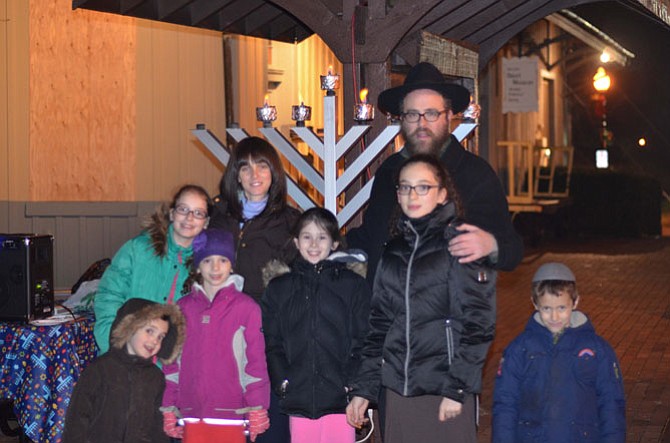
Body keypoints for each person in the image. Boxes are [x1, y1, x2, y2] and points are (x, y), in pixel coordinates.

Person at [346, 154, 496, 443]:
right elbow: (378, 326)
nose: (412, 194)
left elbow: (480, 324)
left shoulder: (462, 246)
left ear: (442, 194)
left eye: (423, 187)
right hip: (399, 392)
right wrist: (364, 390)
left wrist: (458, 388)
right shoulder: (393, 252)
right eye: (405, 187)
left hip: (444, 392)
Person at [347, 61, 523, 284]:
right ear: (401, 118)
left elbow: (512, 249)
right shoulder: (389, 170)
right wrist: (324, 240)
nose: (422, 124)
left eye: (431, 113)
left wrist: (492, 245)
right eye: (412, 114)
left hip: (448, 311)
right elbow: (370, 236)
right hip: (388, 310)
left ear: (449, 116)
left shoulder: (476, 174)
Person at [261, 207, 371, 443]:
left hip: (341, 398)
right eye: (306, 236)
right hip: (298, 395)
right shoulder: (280, 288)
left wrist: (355, 386)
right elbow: (273, 341)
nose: (313, 244)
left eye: (322, 237)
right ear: (296, 242)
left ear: (333, 243)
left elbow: (363, 339)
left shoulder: (352, 286)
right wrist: (283, 381)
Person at [492, 262, 626, 443]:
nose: (554, 317)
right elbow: (506, 404)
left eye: (562, 308)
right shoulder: (519, 349)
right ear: (534, 303)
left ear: (575, 302)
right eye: (547, 308)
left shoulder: (598, 349)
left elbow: (611, 403)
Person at [161, 229, 271, 442]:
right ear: (198, 266)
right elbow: (172, 364)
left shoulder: (247, 309)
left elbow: (255, 363)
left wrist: (257, 406)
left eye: (222, 259)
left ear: (231, 264)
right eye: (208, 260)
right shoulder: (181, 309)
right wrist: (169, 405)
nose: (215, 267)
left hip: (231, 415)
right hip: (192, 415)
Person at [94, 184, 212, 353]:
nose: (189, 218)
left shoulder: (207, 266)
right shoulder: (138, 249)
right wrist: (118, 345)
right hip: (125, 357)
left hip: (175, 369)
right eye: (183, 209)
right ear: (172, 213)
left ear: (206, 222)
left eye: (198, 213)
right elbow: (108, 296)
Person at [64, 298, 186, 443]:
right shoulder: (99, 370)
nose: (155, 340)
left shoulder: (155, 377)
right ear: (130, 327)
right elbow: (77, 420)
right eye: (149, 331)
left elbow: (156, 428)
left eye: (161, 337)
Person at [209, 136, 301, 302]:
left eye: (262, 166)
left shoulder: (291, 223)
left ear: (273, 172)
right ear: (237, 176)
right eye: (246, 168)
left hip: (265, 318)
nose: (254, 175)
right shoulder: (216, 214)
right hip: (220, 314)